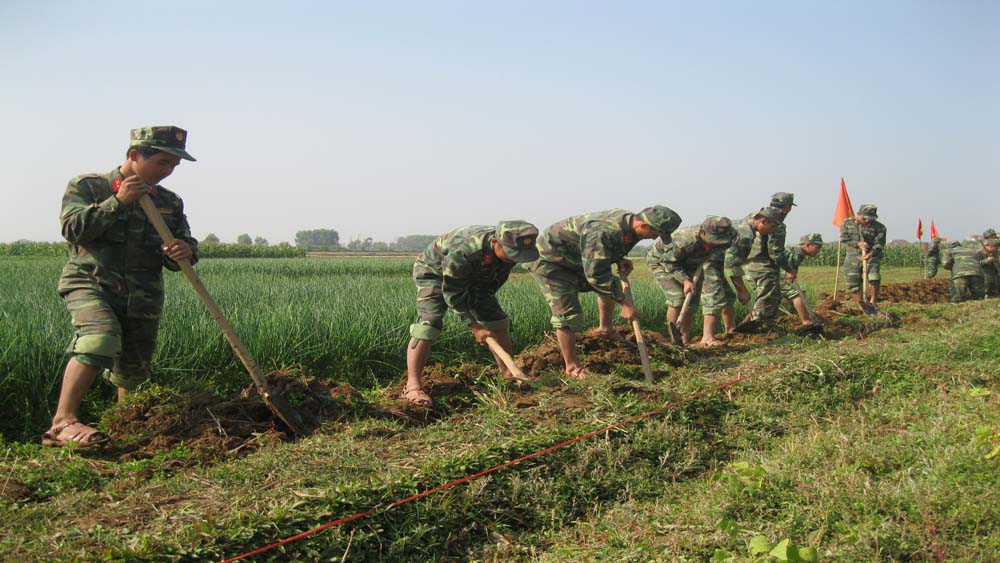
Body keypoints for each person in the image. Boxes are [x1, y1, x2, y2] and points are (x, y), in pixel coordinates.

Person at [44, 126, 198, 448]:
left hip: (143, 295)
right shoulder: (89, 186)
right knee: (99, 338)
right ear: (134, 156)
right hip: (92, 282)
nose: (167, 171)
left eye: (173, 166)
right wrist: (118, 201)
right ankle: (62, 423)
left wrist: (183, 251)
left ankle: (125, 429)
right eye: (161, 162)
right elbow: (73, 229)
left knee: (132, 371)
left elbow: (184, 243)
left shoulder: (169, 201)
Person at [525, 206, 681, 377]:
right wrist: (625, 303)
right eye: (656, 233)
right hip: (550, 261)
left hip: (577, 259)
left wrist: (618, 259)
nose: (654, 238)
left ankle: (605, 329)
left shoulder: (629, 225)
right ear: (644, 225)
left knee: (610, 286)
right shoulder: (604, 231)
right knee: (568, 313)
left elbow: (601, 254)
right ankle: (572, 368)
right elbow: (596, 275)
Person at [405, 221, 540, 406]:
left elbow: (491, 286)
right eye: (512, 254)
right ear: (495, 243)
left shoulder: (507, 254)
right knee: (429, 323)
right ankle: (413, 386)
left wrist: (484, 313)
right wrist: (475, 326)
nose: (515, 259)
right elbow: (452, 293)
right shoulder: (465, 250)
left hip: (477, 274)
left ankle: (510, 373)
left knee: (497, 321)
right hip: (435, 272)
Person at [646, 216, 737, 346]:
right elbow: (670, 263)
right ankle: (675, 340)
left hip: (695, 262)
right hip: (663, 261)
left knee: (692, 301)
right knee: (678, 299)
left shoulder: (729, 233)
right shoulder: (684, 240)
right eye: (714, 240)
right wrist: (685, 281)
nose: (717, 243)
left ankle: (691, 339)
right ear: (702, 233)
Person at [713, 207, 783, 339]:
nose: (772, 230)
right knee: (716, 297)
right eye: (772, 226)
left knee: (727, 296)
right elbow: (732, 265)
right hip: (707, 261)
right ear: (763, 221)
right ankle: (705, 337)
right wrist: (742, 290)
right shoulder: (745, 234)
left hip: (715, 261)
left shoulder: (747, 222)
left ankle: (731, 333)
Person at [742, 193, 796, 326]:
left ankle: (761, 325)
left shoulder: (756, 214)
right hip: (764, 264)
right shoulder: (777, 223)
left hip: (748, 262)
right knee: (768, 297)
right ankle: (760, 327)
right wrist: (789, 269)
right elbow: (776, 253)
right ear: (788, 207)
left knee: (767, 296)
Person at [840, 204, 887, 308]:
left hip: (872, 256)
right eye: (864, 218)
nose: (867, 221)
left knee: (874, 277)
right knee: (852, 282)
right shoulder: (847, 223)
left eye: (870, 219)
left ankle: (873, 302)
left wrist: (870, 254)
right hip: (853, 256)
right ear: (858, 214)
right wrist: (857, 243)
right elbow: (844, 238)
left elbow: (879, 244)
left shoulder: (880, 227)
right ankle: (861, 305)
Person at [779, 233, 824, 327]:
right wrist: (790, 273)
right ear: (807, 245)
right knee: (797, 295)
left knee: (785, 298)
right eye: (817, 247)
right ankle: (807, 321)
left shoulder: (798, 251)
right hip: (777, 275)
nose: (819, 250)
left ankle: (802, 315)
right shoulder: (798, 252)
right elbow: (787, 270)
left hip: (777, 275)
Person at [942, 238, 986, 302]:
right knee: (979, 297)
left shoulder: (949, 251)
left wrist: (953, 268)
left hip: (960, 274)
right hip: (977, 272)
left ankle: (958, 309)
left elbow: (945, 263)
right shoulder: (971, 250)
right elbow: (980, 260)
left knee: (959, 297)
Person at [981, 229, 1000, 297]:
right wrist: (987, 260)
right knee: (988, 289)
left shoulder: (996, 246)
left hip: (996, 271)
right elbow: (977, 264)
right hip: (986, 273)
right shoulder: (980, 250)